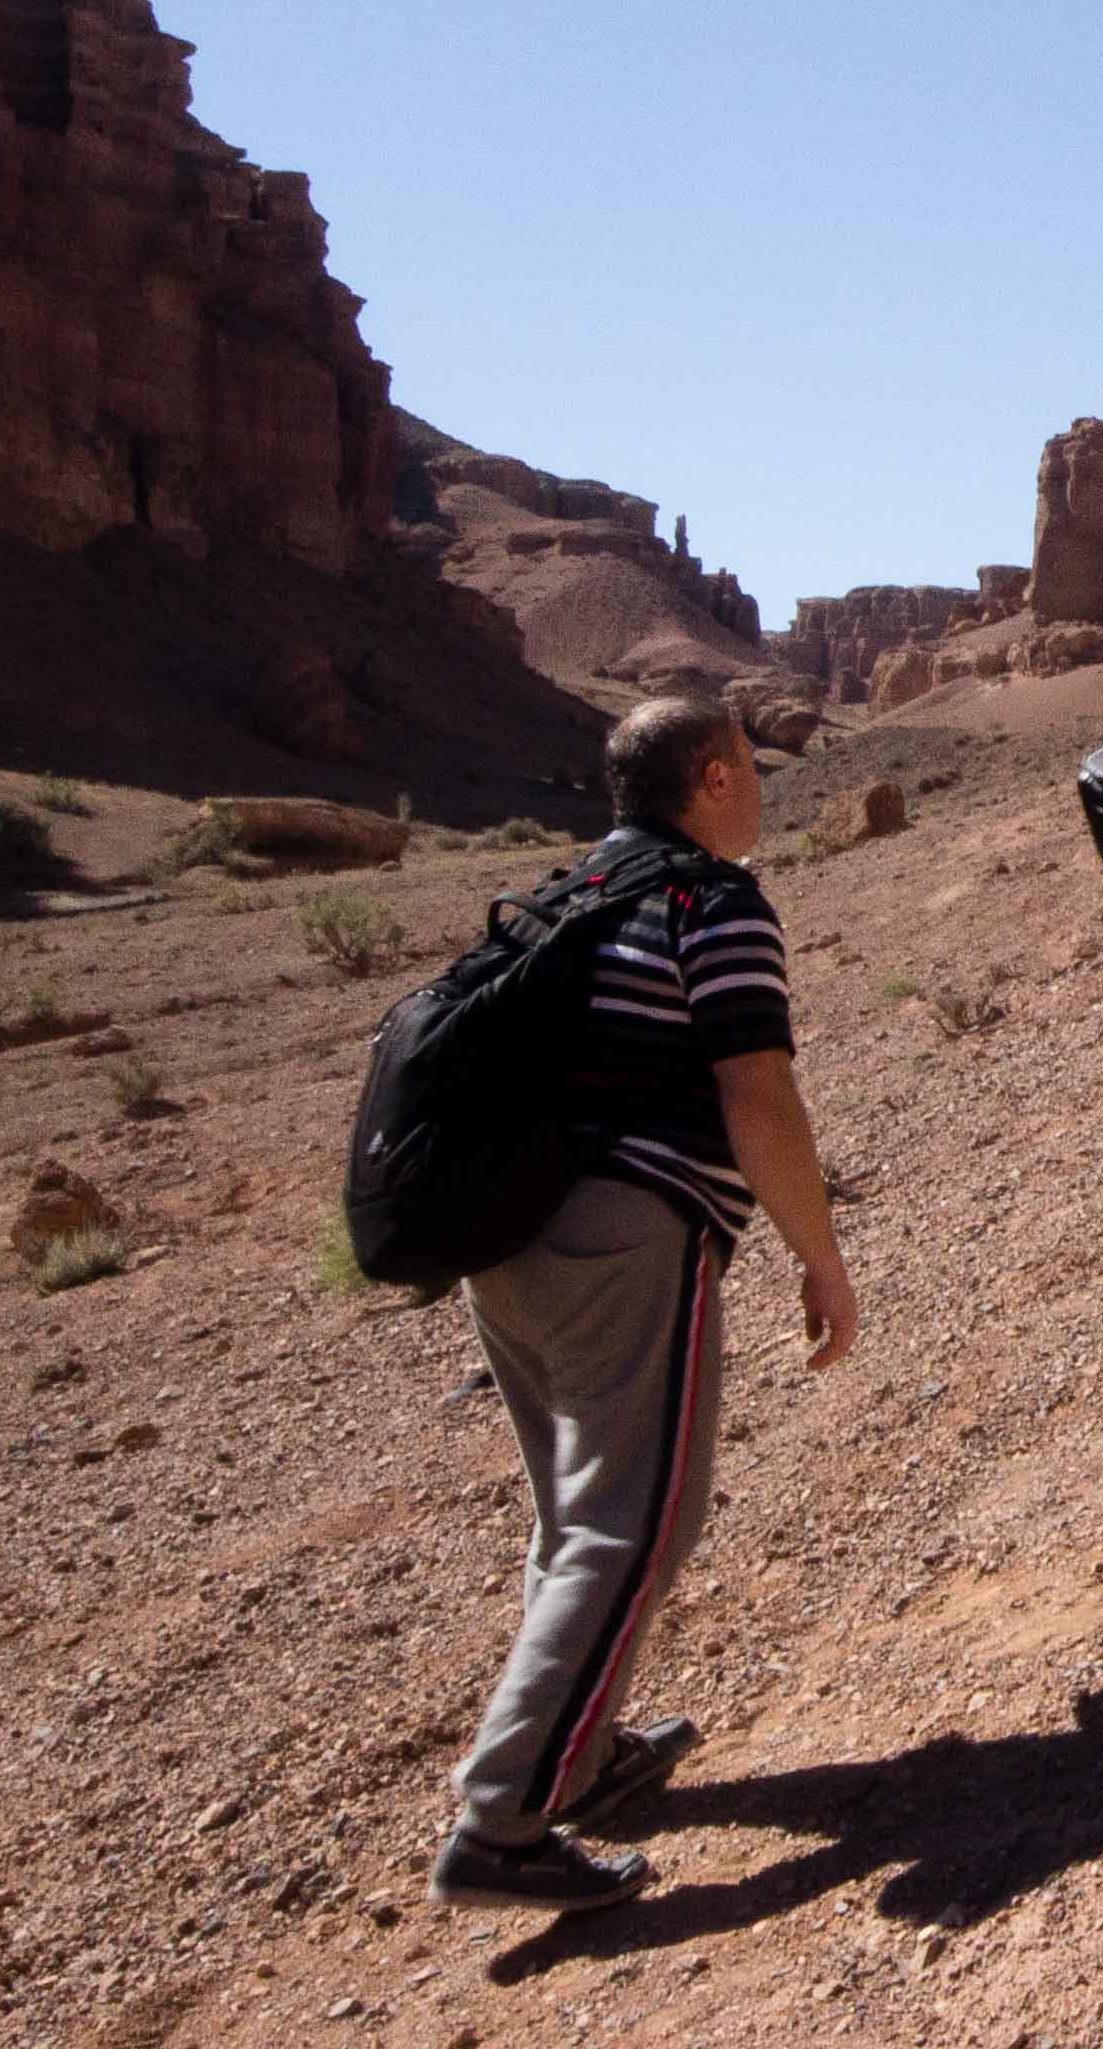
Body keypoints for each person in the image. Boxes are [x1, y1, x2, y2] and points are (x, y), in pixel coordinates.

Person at [430, 696, 856, 1917]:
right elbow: (754, 1089)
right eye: (751, 767)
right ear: (712, 779)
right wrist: (818, 1256)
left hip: (502, 1236)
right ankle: (503, 1820)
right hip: (624, 1233)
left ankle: (588, 1751)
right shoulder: (708, 901)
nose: (765, 785)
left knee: (579, 1513)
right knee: (636, 1522)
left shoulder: (569, 894)